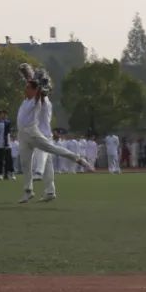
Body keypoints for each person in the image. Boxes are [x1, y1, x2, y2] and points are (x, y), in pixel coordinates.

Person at [16, 65, 94, 204]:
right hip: (28, 134)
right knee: (42, 165)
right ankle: (48, 191)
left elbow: (38, 91)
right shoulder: (29, 100)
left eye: (28, 87)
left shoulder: (42, 101)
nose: (25, 88)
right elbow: (33, 86)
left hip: (40, 134)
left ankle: (77, 160)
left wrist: (36, 80)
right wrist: (31, 77)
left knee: (46, 156)